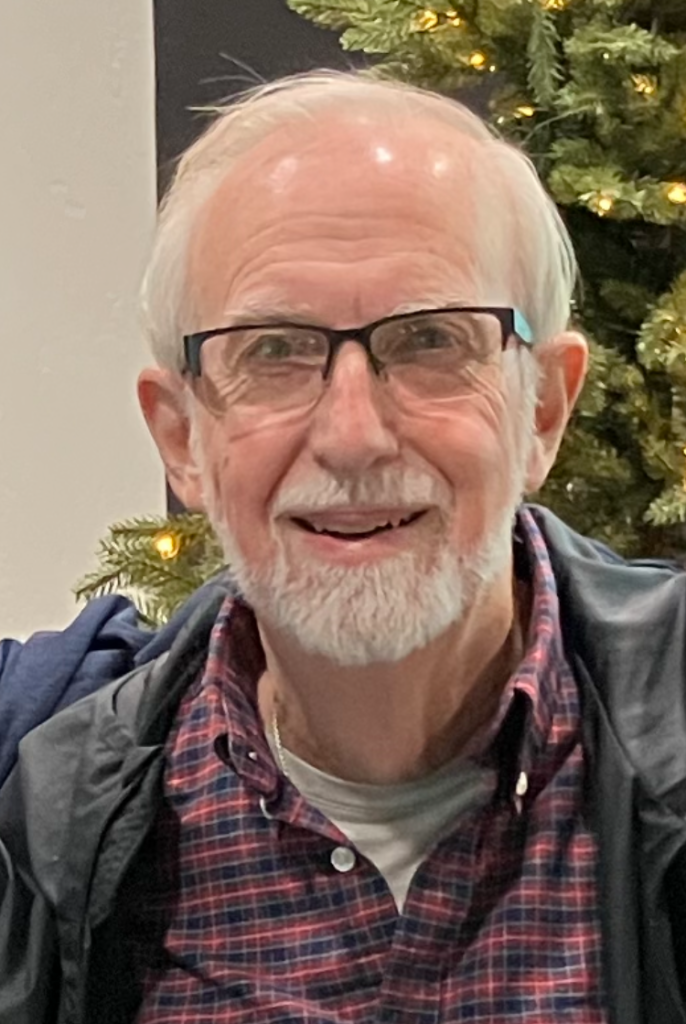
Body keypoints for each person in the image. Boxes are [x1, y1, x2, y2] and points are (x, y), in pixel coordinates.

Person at [1, 70, 685, 1024]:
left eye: (432, 340)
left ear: (543, 409)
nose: (353, 435)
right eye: (273, 350)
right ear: (181, 439)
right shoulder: (48, 825)